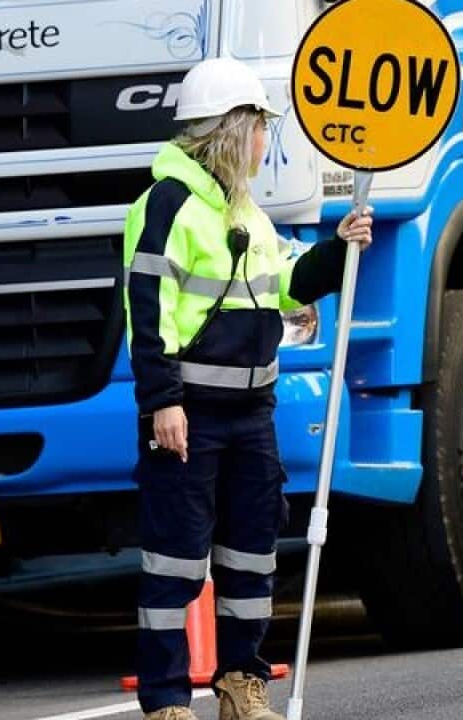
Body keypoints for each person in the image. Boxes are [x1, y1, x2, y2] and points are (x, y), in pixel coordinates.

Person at [121, 57, 373, 720]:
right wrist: (162, 402)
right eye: (261, 127)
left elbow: (283, 285)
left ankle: (240, 686)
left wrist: (337, 248)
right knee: (175, 563)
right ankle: (168, 702)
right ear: (235, 130)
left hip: (250, 415)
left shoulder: (244, 210)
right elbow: (146, 312)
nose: (267, 141)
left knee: (251, 561)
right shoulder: (167, 206)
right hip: (191, 416)